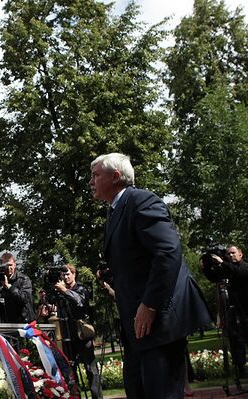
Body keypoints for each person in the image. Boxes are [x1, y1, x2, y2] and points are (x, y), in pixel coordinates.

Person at [90, 152, 211, 398]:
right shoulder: (115, 209)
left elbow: (168, 252)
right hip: (138, 327)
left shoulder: (141, 200)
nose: (91, 182)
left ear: (115, 177)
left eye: (95, 175)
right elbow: (139, 260)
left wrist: (150, 304)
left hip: (159, 322)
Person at [41, 264, 102, 399]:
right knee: (70, 371)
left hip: (82, 334)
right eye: (64, 275)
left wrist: (64, 291)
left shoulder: (81, 288)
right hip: (66, 335)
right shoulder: (58, 291)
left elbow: (79, 301)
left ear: (74, 274)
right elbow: (50, 304)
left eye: (69, 274)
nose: (66, 277)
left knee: (90, 369)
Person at [202, 245, 248, 378]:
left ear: (241, 254)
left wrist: (222, 263)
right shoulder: (227, 269)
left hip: (246, 311)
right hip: (234, 313)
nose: (230, 256)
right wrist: (206, 266)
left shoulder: (244, 267)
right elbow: (213, 277)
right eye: (228, 254)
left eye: (233, 253)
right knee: (236, 341)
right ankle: (241, 370)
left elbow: (240, 273)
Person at [0, 252, 35, 323]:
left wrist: (9, 287)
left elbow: (25, 299)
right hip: (5, 323)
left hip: (24, 323)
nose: (9, 268)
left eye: (10, 265)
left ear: (15, 265)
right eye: (5, 266)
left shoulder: (23, 279)